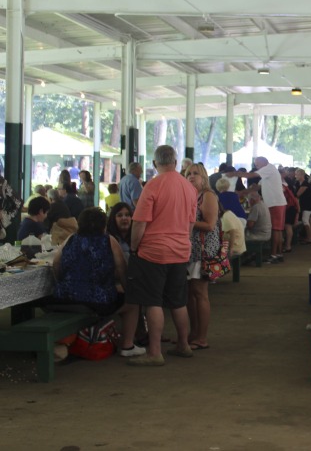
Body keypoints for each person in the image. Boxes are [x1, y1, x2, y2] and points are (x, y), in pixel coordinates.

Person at [121, 145, 198, 366]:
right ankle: (183, 345)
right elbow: (191, 223)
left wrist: (135, 247)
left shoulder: (152, 186)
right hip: (180, 250)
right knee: (178, 301)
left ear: (155, 164)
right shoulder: (189, 187)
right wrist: (183, 241)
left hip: (153, 251)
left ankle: (154, 352)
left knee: (152, 301)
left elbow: (140, 223)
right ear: (175, 162)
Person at [50, 208, 140, 352]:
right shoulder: (109, 240)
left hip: (64, 296)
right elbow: (122, 270)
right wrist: (130, 292)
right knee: (133, 304)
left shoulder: (70, 238)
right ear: (104, 225)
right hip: (96, 301)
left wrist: (63, 282)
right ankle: (128, 346)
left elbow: (55, 264)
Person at [185, 163, 220, 351]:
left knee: (200, 293)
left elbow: (210, 224)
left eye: (195, 174)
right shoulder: (191, 195)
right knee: (190, 294)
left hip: (203, 251)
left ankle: (202, 337)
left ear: (203, 177)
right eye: (188, 173)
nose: (191, 176)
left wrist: (187, 221)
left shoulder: (208, 195)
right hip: (190, 251)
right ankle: (193, 333)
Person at [231, 157, 288, 264]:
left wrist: (235, 173)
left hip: (275, 203)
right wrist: (242, 192)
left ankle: (274, 255)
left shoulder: (268, 168)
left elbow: (252, 175)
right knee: (278, 230)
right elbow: (257, 187)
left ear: (264, 162)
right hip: (276, 203)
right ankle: (278, 254)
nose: (256, 166)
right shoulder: (268, 172)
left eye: (257, 164)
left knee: (276, 230)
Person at [294, 168, 311, 245]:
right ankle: (310, 236)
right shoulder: (299, 183)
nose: (295, 176)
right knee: (308, 219)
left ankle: (309, 238)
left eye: (297, 174)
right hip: (305, 204)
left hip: (308, 204)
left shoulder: (305, 184)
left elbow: (297, 194)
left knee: (305, 220)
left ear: (302, 175)